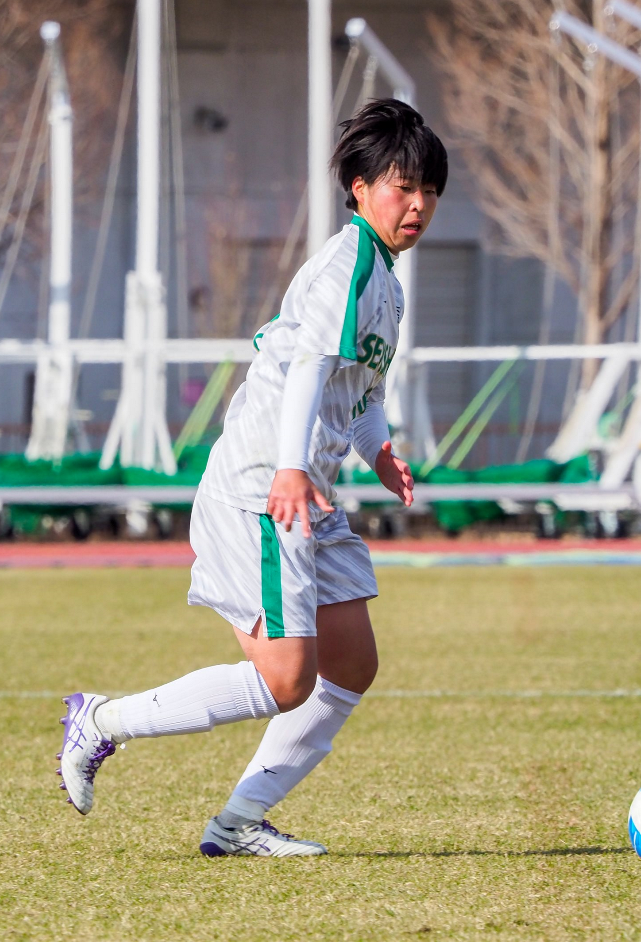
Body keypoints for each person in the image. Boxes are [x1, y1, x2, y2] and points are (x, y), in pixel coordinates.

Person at [57, 98, 447, 857]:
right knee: (286, 679)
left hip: (305, 492)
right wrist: (293, 467)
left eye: (429, 191)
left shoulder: (387, 284)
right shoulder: (348, 264)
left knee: (352, 665)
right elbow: (306, 369)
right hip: (264, 488)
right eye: (403, 187)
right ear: (361, 188)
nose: (419, 205)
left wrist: (378, 450)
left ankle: (238, 824)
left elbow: (359, 392)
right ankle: (99, 722)